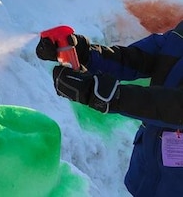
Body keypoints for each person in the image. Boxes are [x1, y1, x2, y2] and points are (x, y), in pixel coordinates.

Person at [36, 23, 183, 197]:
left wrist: (111, 96)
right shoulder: (179, 36)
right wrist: (84, 53)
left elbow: (176, 106)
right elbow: (134, 59)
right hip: (152, 169)